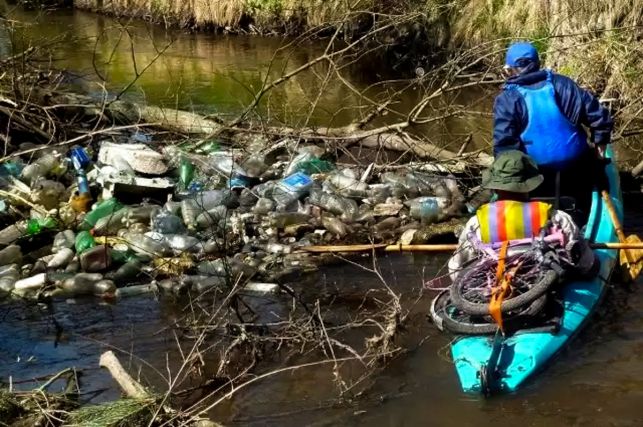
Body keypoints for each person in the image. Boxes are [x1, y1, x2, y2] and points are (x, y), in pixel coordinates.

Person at [493, 41, 613, 218]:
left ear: (510, 70)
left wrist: (510, 184)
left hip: (535, 176)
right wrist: (600, 147)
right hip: (576, 167)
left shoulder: (507, 99)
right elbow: (600, 117)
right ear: (537, 63)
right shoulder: (565, 85)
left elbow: (504, 147)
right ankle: (582, 219)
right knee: (581, 200)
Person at [448, 150, 595, 281]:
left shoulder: (476, 223)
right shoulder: (557, 218)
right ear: (530, 185)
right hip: (544, 285)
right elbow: (585, 264)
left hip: (495, 285)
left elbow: (456, 271)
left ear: (495, 186)